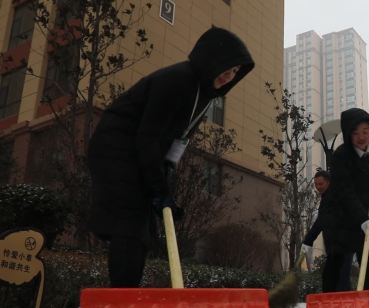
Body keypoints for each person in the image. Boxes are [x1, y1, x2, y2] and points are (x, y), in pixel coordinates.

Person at [87, 27, 254, 287]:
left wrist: (166, 185)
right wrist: (158, 188)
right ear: (211, 60)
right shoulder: (177, 80)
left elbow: (179, 140)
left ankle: (126, 297)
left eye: (234, 73)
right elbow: (148, 137)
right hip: (117, 148)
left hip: (140, 152)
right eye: (227, 68)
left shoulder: (205, 97)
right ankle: (121, 300)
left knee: (141, 230)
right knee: (130, 224)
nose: (228, 76)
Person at [318, 108, 369, 292]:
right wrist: (362, 218)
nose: (361, 137)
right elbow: (345, 192)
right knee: (337, 258)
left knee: (367, 256)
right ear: (347, 134)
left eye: (365, 131)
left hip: (364, 208)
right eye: (355, 133)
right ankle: (329, 302)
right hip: (341, 213)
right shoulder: (340, 156)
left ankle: (368, 301)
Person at [301, 169, 331, 270]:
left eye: (321, 184)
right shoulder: (325, 198)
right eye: (316, 184)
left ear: (328, 182)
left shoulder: (332, 198)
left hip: (342, 244)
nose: (318, 187)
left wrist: (308, 240)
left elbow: (321, 221)